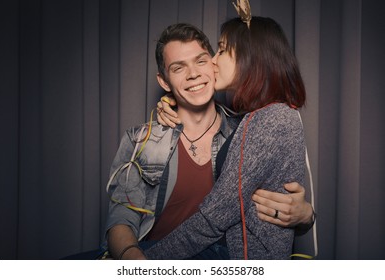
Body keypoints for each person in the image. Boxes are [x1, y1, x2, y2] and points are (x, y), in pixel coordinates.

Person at [103, 21, 313, 260]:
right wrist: (136, 262)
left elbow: (247, 214)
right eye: (179, 68)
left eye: (202, 60)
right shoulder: (141, 140)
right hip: (152, 253)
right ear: (164, 82)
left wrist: (306, 215)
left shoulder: (244, 131)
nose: (194, 74)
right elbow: (121, 218)